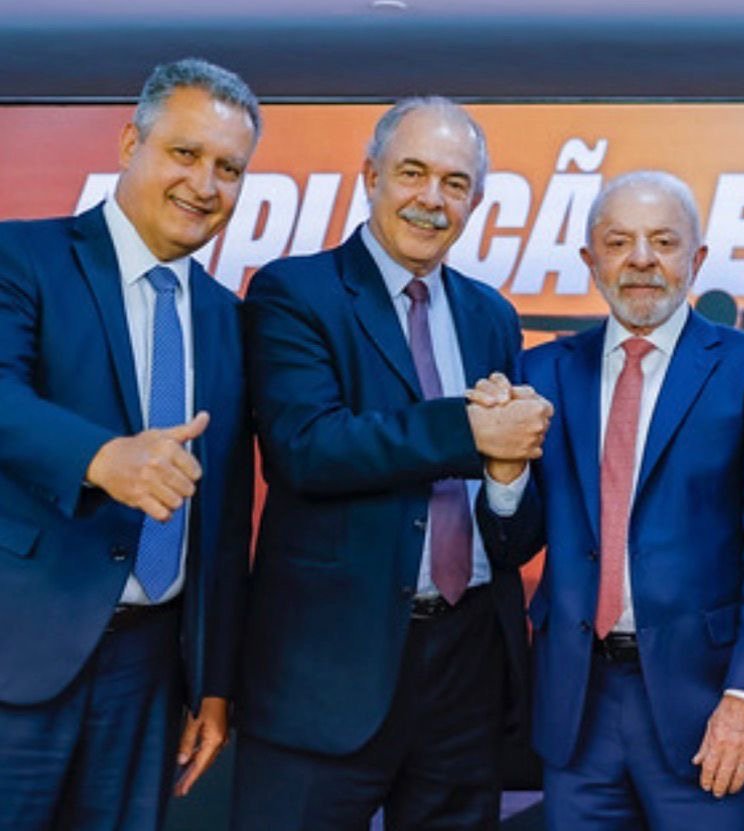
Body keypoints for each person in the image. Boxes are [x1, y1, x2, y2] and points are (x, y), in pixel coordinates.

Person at [232, 97, 553, 830]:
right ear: (371, 175)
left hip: (468, 669)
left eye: (455, 182)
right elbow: (307, 447)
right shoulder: (294, 292)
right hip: (327, 674)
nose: (431, 199)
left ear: (475, 201)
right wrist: (472, 429)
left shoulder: (493, 315)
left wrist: (507, 479)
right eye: (412, 172)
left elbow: (513, 514)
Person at [476, 171, 744, 830]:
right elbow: (511, 545)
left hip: (711, 707)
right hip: (578, 709)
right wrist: (505, 473)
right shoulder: (540, 372)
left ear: (698, 259)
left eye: (663, 241)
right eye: (618, 242)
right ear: (590, 260)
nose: (640, 259)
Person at [0, 58, 259, 830]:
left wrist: (214, 682)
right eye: (185, 153)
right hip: (20, 654)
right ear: (128, 143)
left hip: (149, 673)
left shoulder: (227, 315)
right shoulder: (23, 257)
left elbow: (224, 516)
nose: (204, 185)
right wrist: (100, 457)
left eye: (228, 168)